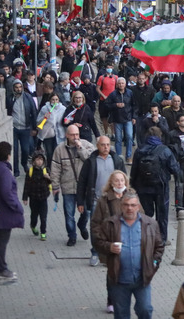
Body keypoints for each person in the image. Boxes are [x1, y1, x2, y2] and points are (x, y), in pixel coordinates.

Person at [93, 192, 165, 319]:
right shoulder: (111, 223)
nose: (129, 208)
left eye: (133, 205)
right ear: (121, 206)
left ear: (138, 206)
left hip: (142, 279)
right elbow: (98, 242)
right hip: (119, 279)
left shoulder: (150, 224)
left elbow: (159, 246)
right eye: (126, 205)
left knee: (145, 309)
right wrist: (109, 247)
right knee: (121, 314)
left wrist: (153, 264)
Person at [77, 136, 127, 266]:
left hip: (114, 200)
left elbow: (125, 179)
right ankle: (95, 253)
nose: (106, 147)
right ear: (97, 146)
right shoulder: (91, 161)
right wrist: (80, 201)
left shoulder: (116, 160)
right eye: (103, 145)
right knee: (96, 228)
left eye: (108, 145)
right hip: (96, 200)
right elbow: (82, 182)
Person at [130, 126, 181, 242]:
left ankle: (146, 238)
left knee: (146, 214)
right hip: (161, 188)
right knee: (162, 215)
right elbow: (175, 169)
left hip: (143, 188)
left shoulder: (139, 150)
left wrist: (132, 186)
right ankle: (161, 240)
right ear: (160, 136)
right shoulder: (165, 150)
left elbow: (134, 170)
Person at [92, 170, 132, 314]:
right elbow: (95, 223)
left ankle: (123, 299)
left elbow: (143, 218)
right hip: (111, 243)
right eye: (117, 181)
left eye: (122, 180)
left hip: (129, 242)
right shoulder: (104, 200)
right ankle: (112, 299)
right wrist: (102, 241)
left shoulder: (132, 198)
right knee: (113, 272)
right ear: (111, 183)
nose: (120, 183)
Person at [51, 124, 96, 246]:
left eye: (77, 134)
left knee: (86, 212)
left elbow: (91, 160)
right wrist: (55, 186)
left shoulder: (86, 145)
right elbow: (55, 169)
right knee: (69, 214)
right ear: (66, 135)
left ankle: (82, 225)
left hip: (84, 188)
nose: (75, 137)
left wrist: (80, 148)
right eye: (72, 135)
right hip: (68, 187)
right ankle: (72, 236)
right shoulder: (59, 149)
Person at [0, 141, 25, 282]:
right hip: (3, 213)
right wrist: (17, 207)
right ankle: (1, 269)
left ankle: (1, 267)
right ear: (8, 155)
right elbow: (7, 193)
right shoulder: (4, 172)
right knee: (2, 240)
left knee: (0, 239)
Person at [7, 78, 39, 177]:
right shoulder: (10, 98)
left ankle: (24, 164)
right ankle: (16, 170)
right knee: (15, 150)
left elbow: (34, 112)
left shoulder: (28, 97)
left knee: (26, 149)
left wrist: (34, 128)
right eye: (16, 87)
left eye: (20, 87)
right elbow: (7, 111)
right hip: (14, 128)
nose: (18, 89)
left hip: (26, 128)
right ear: (13, 88)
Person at [22, 149, 51, 242]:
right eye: (38, 159)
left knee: (43, 216)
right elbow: (26, 185)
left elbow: (52, 182)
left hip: (43, 197)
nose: (39, 161)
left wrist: (48, 177)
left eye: (41, 159)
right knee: (34, 215)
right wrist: (25, 198)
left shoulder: (46, 170)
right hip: (33, 198)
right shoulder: (30, 171)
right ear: (34, 161)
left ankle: (43, 233)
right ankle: (33, 226)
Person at [106, 77, 135, 162]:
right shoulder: (113, 94)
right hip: (117, 119)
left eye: (122, 83)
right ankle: (118, 157)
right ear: (117, 84)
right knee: (118, 139)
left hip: (128, 118)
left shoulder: (130, 93)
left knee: (129, 137)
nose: (121, 85)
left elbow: (134, 105)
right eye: (119, 83)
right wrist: (116, 105)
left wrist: (134, 117)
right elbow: (107, 104)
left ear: (125, 84)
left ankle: (129, 156)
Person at [36, 93, 66, 159]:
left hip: (59, 133)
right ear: (50, 100)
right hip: (48, 133)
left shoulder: (63, 109)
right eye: (53, 100)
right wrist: (44, 118)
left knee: (57, 152)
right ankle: (49, 167)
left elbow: (65, 120)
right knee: (49, 153)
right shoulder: (44, 108)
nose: (55, 102)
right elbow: (38, 121)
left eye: (56, 100)